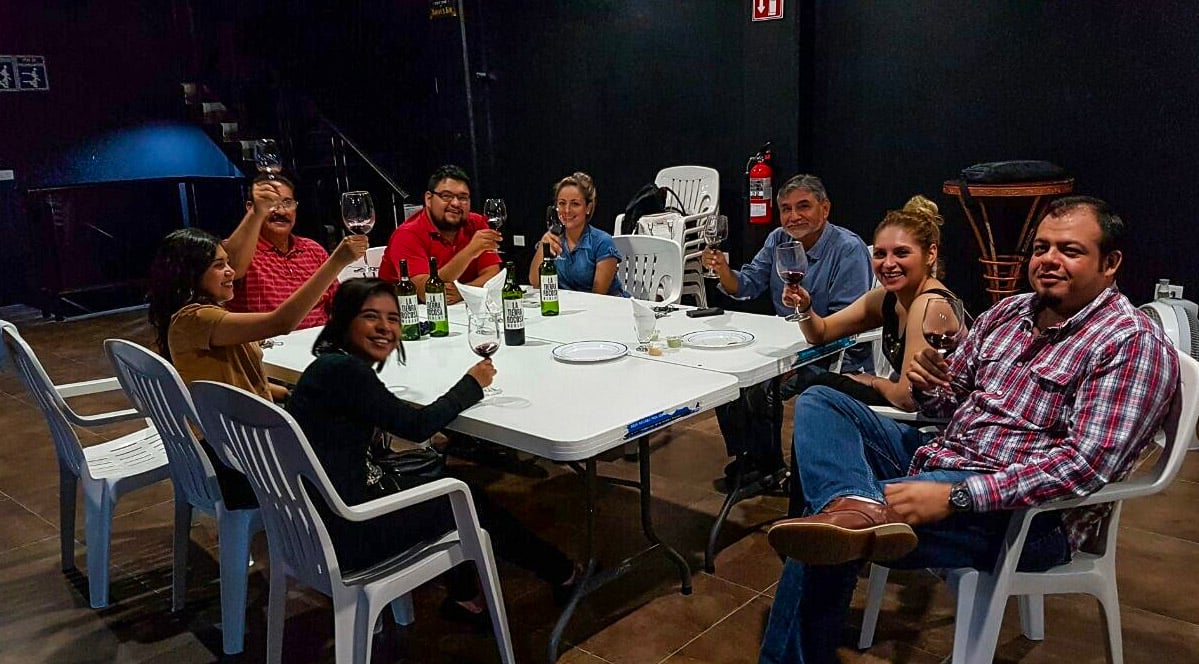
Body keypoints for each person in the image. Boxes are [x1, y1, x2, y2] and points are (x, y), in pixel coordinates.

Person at [759, 196, 1180, 664]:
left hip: (1026, 516)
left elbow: (1085, 466)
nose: (1049, 260)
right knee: (822, 400)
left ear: (1110, 263)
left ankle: (848, 520)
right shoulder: (1009, 313)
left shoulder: (1130, 342)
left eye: (1070, 250)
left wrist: (958, 495)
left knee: (825, 536)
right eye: (1041, 247)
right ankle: (854, 506)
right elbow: (949, 401)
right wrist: (930, 385)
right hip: (943, 453)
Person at [285, 278, 578, 620]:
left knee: (447, 484)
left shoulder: (325, 367)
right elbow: (417, 426)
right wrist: (472, 384)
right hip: (353, 530)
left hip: (313, 517)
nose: (384, 328)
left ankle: (466, 596)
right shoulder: (345, 372)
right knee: (465, 497)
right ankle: (563, 573)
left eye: (392, 318)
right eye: (371, 317)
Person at [147, 227, 367, 507]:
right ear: (189, 274)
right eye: (218, 265)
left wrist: (284, 392)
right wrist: (337, 262)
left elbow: (228, 380)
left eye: (227, 263)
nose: (230, 271)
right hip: (239, 462)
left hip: (232, 445)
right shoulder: (197, 320)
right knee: (353, 412)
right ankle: (358, 506)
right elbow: (281, 322)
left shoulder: (194, 319)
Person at [701, 174, 873, 485]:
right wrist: (722, 270)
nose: (793, 216)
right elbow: (747, 285)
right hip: (790, 346)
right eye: (786, 209)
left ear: (825, 209)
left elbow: (846, 323)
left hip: (834, 353)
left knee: (762, 383)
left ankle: (768, 467)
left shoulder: (848, 249)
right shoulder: (778, 240)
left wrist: (799, 355)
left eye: (803, 206)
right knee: (729, 371)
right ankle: (750, 457)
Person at [781, 195, 956, 411]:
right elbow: (821, 333)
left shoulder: (930, 305)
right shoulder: (886, 298)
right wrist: (805, 306)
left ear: (930, 254)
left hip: (935, 422)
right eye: (880, 254)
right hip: (908, 407)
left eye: (901, 253)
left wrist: (874, 381)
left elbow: (908, 398)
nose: (888, 263)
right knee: (812, 384)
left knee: (817, 389)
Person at [224, 174, 336, 329]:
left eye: (287, 203)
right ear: (251, 208)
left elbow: (338, 302)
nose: (282, 212)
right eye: (271, 203)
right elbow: (233, 268)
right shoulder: (240, 249)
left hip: (318, 339)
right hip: (268, 341)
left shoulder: (313, 249)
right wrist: (256, 212)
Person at [379, 164, 502, 304]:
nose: (455, 203)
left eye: (463, 197)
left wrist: (463, 292)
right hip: (406, 312)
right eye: (446, 196)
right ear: (428, 199)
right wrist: (470, 251)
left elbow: (493, 275)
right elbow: (426, 293)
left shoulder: (477, 223)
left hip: (459, 308)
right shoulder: (407, 234)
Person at [528, 172, 626, 296]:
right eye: (562, 203)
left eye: (575, 204)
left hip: (604, 305)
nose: (567, 210)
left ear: (588, 208)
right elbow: (535, 283)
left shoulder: (602, 241)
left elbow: (598, 295)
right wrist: (543, 247)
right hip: (568, 304)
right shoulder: (553, 239)